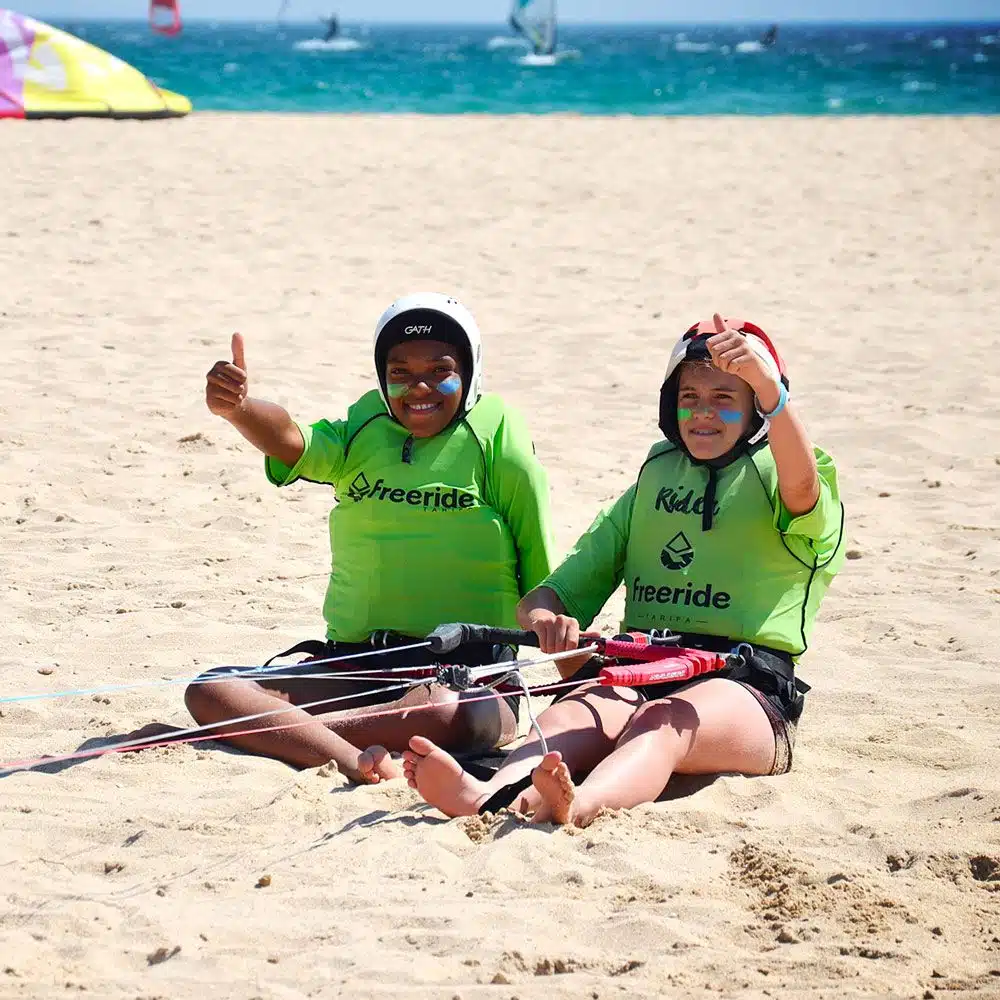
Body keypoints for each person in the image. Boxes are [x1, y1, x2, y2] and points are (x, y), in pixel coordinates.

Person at [403, 313, 846, 827]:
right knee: (573, 711)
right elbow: (548, 598)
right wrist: (547, 619)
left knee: (661, 721)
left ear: (758, 409)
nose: (702, 413)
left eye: (724, 398)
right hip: (643, 669)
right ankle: (493, 796)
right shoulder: (652, 482)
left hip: (749, 689)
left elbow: (801, 489)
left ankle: (580, 805)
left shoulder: (794, 473)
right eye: (690, 397)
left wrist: (773, 393)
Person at [184, 293, 554, 783]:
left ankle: (293, 735)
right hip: (356, 665)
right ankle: (346, 755)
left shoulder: (499, 442)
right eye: (399, 372)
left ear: (471, 371)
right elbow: (293, 441)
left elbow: (543, 583)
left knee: (447, 715)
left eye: (440, 370)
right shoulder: (363, 428)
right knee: (209, 690)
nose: (418, 387)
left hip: (466, 675)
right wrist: (241, 408)